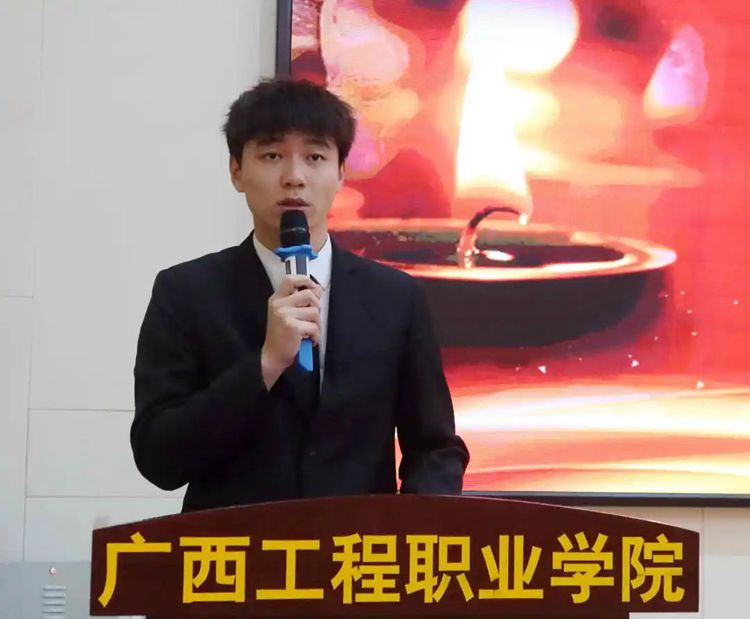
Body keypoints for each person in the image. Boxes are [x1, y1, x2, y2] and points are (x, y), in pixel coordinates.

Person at [130, 78, 469, 512]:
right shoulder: (186, 292)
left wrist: (412, 526)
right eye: (272, 156)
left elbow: (435, 447)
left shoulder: (396, 297)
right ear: (236, 171)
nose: (294, 178)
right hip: (236, 549)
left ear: (341, 172)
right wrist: (265, 364)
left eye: (315, 157)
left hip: (357, 549)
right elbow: (159, 457)